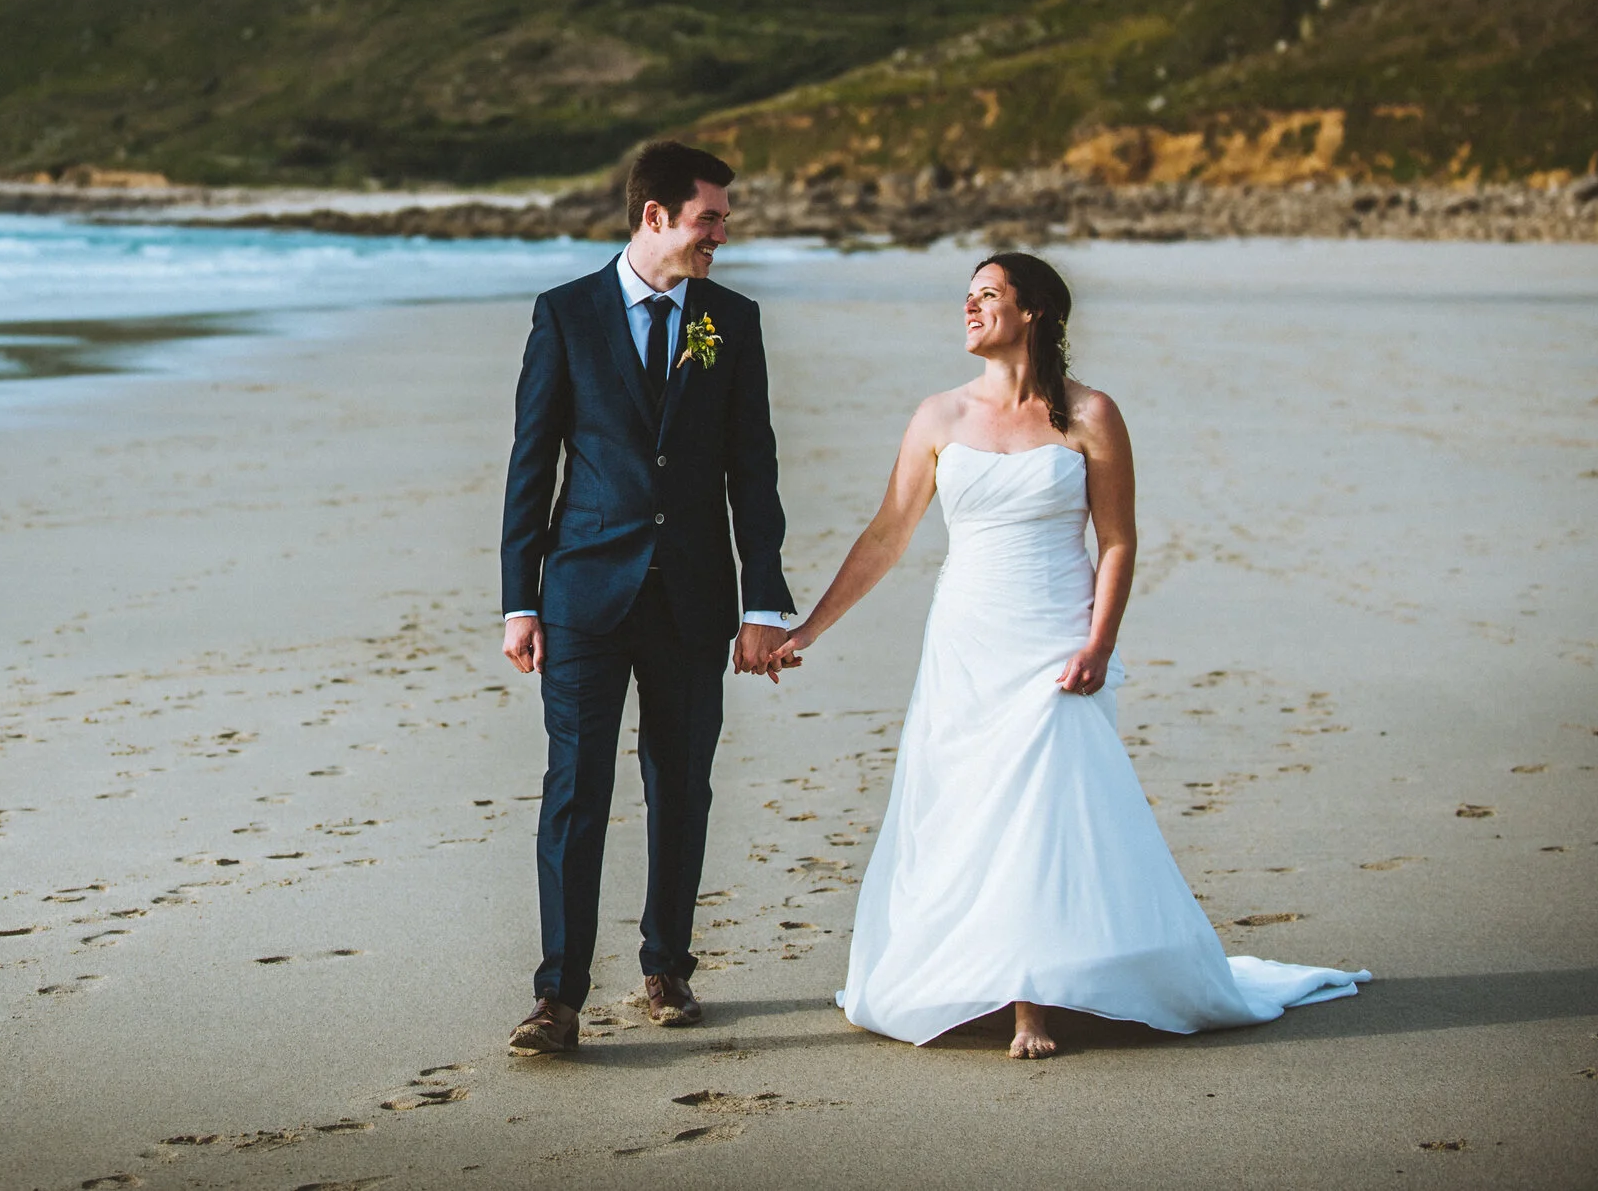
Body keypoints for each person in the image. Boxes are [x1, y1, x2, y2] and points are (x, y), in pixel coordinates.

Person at [748, 252, 1367, 1056]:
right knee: (968, 806)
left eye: (988, 295)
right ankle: (987, 974)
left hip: (1054, 636)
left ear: (1034, 309)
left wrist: (1099, 642)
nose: (969, 308)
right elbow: (887, 535)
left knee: (1042, 810)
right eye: (966, 297)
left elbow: (1117, 540)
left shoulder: (1090, 414)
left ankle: (1031, 1000)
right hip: (967, 640)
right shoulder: (939, 416)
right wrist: (807, 630)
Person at [498, 140, 798, 1056]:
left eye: (723, 220)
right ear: (654, 215)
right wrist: (520, 597)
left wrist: (765, 602)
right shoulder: (566, 314)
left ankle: (667, 965)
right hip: (584, 592)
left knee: (681, 787)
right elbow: (531, 461)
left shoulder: (731, 321)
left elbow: (754, 467)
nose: (721, 234)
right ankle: (558, 996)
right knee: (575, 790)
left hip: (695, 597)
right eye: (710, 217)